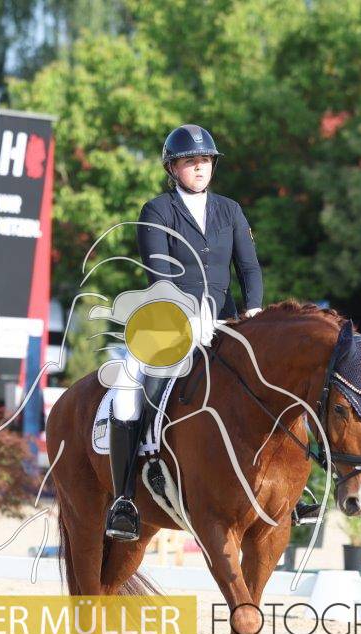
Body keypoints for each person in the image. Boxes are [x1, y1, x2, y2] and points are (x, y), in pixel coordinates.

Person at [103, 124, 267, 541]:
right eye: (191, 161)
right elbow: (160, 272)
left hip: (227, 323)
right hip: (170, 322)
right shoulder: (157, 210)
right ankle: (124, 499)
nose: (200, 167)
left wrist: (253, 309)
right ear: (172, 168)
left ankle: (284, 491)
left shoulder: (230, 210)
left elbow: (248, 267)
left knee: (272, 385)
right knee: (127, 391)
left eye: (206, 160)